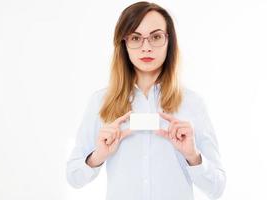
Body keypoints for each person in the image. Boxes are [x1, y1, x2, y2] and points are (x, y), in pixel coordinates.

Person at [66, 1, 226, 200]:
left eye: (156, 37)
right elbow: (74, 177)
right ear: (124, 43)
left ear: (169, 41)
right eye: (135, 38)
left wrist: (193, 156)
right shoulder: (101, 101)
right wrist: (98, 155)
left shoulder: (192, 103)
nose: (146, 47)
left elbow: (217, 187)